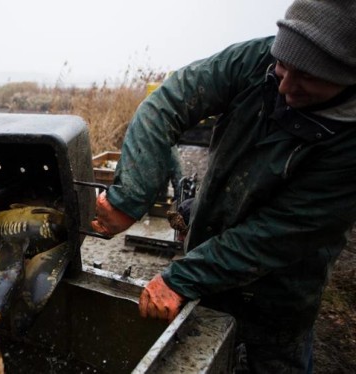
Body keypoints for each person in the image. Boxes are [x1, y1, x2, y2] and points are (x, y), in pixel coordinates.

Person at [91, 0, 356, 372]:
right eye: (283, 67)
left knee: (276, 359)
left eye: (309, 77)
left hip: (279, 294)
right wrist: (131, 197)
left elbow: (275, 236)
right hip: (207, 260)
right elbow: (166, 104)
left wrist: (180, 278)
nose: (286, 88)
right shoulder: (256, 60)